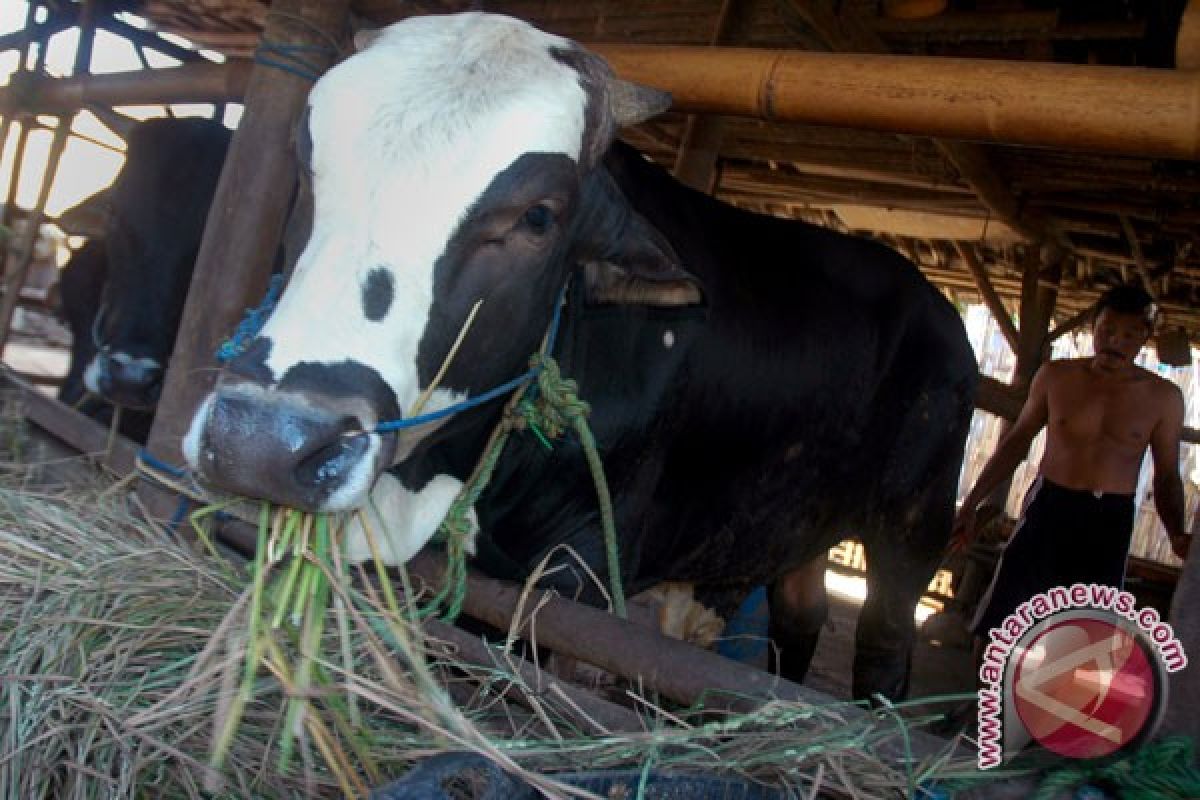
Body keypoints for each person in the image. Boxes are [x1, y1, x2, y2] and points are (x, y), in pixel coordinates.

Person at [954, 284, 1191, 639]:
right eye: (1107, 330)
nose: (1115, 342)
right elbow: (1016, 442)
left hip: (1108, 521)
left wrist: (1175, 534)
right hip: (1049, 506)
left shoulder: (1163, 399)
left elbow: (1167, 476)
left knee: (1084, 634)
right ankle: (985, 694)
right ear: (1093, 327)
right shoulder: (1056, 376)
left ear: (1145, 340)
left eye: (1129, 335)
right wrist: (971, 503)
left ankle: (1047, 695)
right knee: (1004, 622)